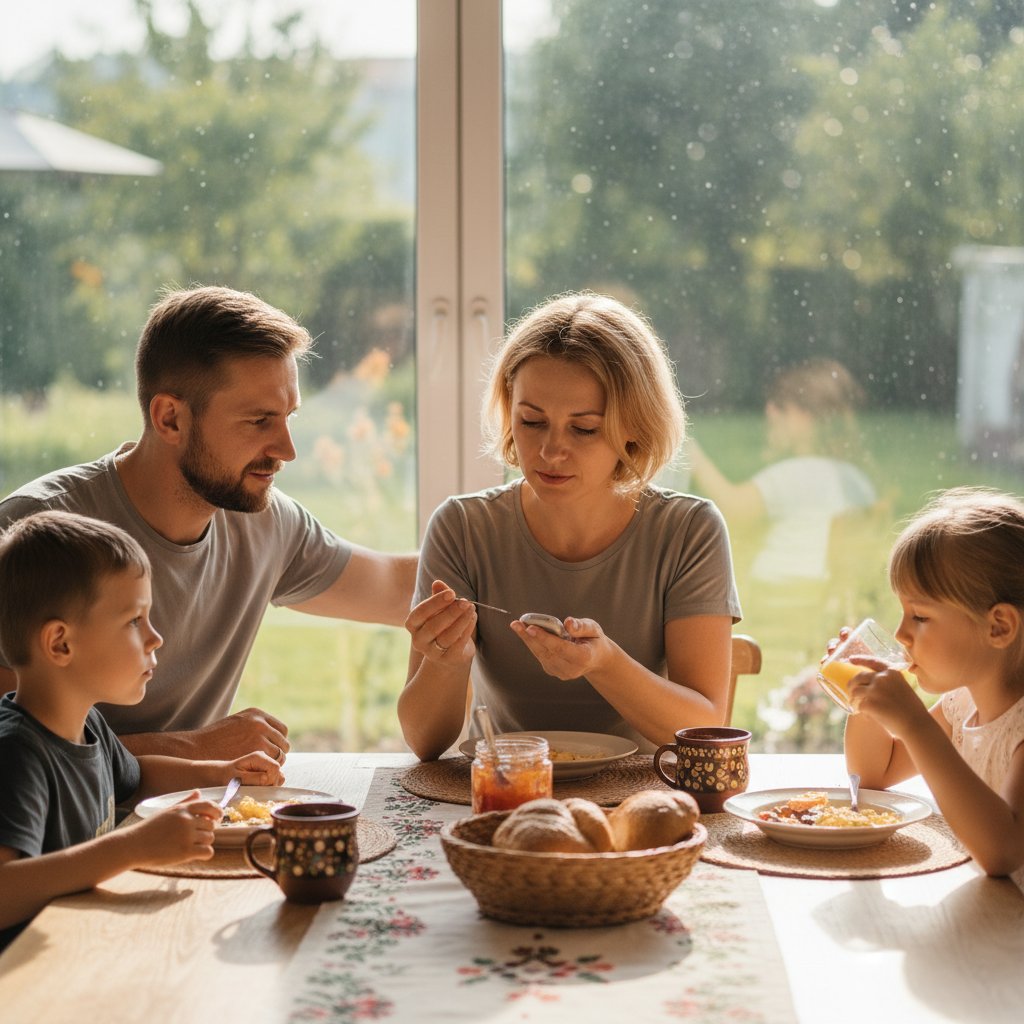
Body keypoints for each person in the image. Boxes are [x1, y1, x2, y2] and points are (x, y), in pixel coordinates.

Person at [0, 285, 417, 762]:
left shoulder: (264, 521)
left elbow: (400, 587)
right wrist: (194, 750)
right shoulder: (33, 533)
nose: (287, 450)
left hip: (194, 822)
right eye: (259, 421)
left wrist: (515, 524)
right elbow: (15, 753)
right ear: (171, 419)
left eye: (288, 418)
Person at [399, 292, 742, 761]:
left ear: (634, 427)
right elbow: (424, 743)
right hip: (509, 793)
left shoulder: (689, 531)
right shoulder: (462, 528)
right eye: (532, 421)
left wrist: (603, 664)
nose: (550, 451)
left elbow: (703, 728)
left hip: (643, 798)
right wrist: (446, 662)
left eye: (583, 429)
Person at [0, 510, 284, 950]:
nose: (155, 638)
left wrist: (220, 773)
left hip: (83, 943)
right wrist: (131, 847)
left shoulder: (87, 723)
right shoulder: (17, 754)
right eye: (134, 621)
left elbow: (136, 776)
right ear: (61, 643)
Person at [844, 487, 1024, 888]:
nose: (900, 634)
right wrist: (865, 695)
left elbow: (1002, 852)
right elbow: (873, 775)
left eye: (920, 616)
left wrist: (914, 724)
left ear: (999, 626)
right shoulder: (963, 706)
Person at [687, 357, 877, 588]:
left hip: (781, 595)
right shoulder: (857, 480)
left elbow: (734, 511)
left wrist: (689, 450)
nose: (769, 411)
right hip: (815, 594)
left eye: (781, 407)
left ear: (807, 419)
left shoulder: (798, 474)